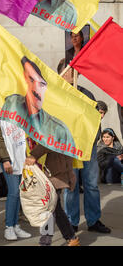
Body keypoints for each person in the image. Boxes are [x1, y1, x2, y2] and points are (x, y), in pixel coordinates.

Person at [58, 60, 111, 233]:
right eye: (69, 71)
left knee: (91, 185)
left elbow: (95, 120)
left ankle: (93, 220)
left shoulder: (86, 94)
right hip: (68, 149)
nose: (73, 75)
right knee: (71, 187)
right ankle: (71, 222)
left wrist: (94, 140)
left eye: (75, 72)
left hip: (88, 149)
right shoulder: (56, 95)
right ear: (61, 73)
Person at [0, 56, 76, 151]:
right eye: (31, 80)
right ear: (24, 80)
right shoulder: (11, 105)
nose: (36, 89)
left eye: (41, 84)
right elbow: (0, 135)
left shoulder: (58, 127)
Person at [25, 143, 80, 246]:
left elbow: (47, 142)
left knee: (50, 208)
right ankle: (72, 237)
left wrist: (34, 155)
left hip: (57, 175)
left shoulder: (56, 128)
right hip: (55, 173)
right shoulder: (56, 127)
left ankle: (45, 242)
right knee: (55, 208)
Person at [0, 117, 32, 241]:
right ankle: (8, 227)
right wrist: (5, 159)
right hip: (9, 160)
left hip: (22, 157)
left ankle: (15, 225)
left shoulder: (20, 109)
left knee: (19, 193)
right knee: (13, 193)